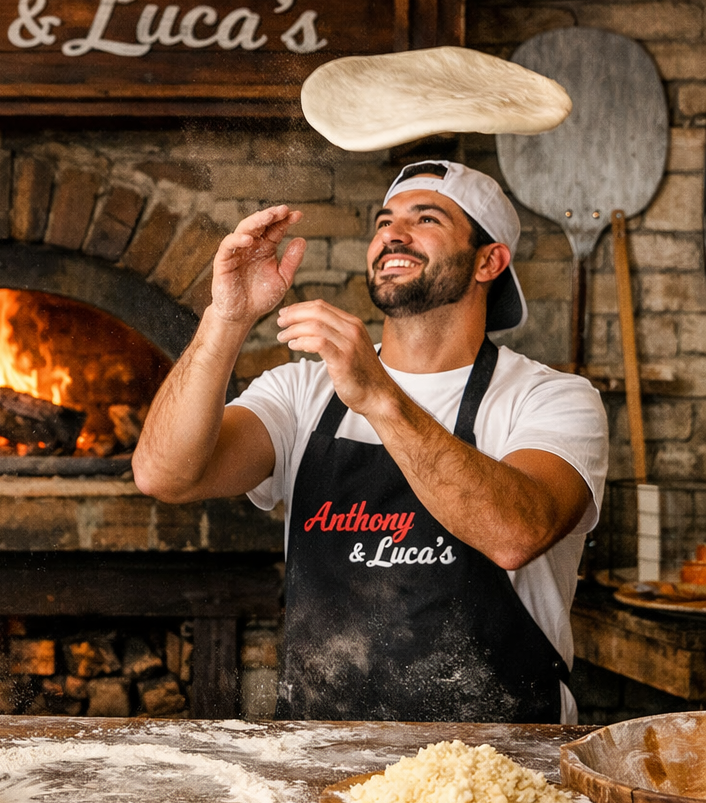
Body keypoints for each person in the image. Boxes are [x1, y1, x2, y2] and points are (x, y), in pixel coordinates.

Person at [133, 161, 608, 723]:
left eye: (425, 217)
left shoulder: (551, 398)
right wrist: (226, 318)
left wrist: (381, 398)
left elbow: (514, 534)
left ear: (489, 260)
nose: (392, 234)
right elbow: (165, 474)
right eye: (384, 221)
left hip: (498, 769)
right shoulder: (302, 390)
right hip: (321, 755)